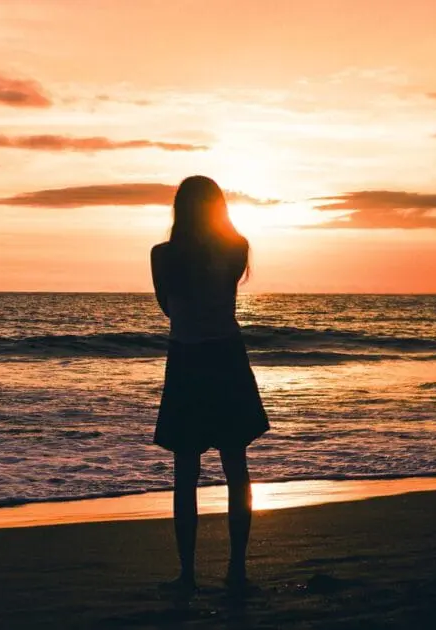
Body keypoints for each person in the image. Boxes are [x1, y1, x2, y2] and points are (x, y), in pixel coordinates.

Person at [150, 175, 269, 593]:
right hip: (227, 358)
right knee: (236, 465)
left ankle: (188, 574)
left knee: (186, 469)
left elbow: (168, 308)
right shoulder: (236, 249)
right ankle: (237, 570)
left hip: (186, 359)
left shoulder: (163, 255)